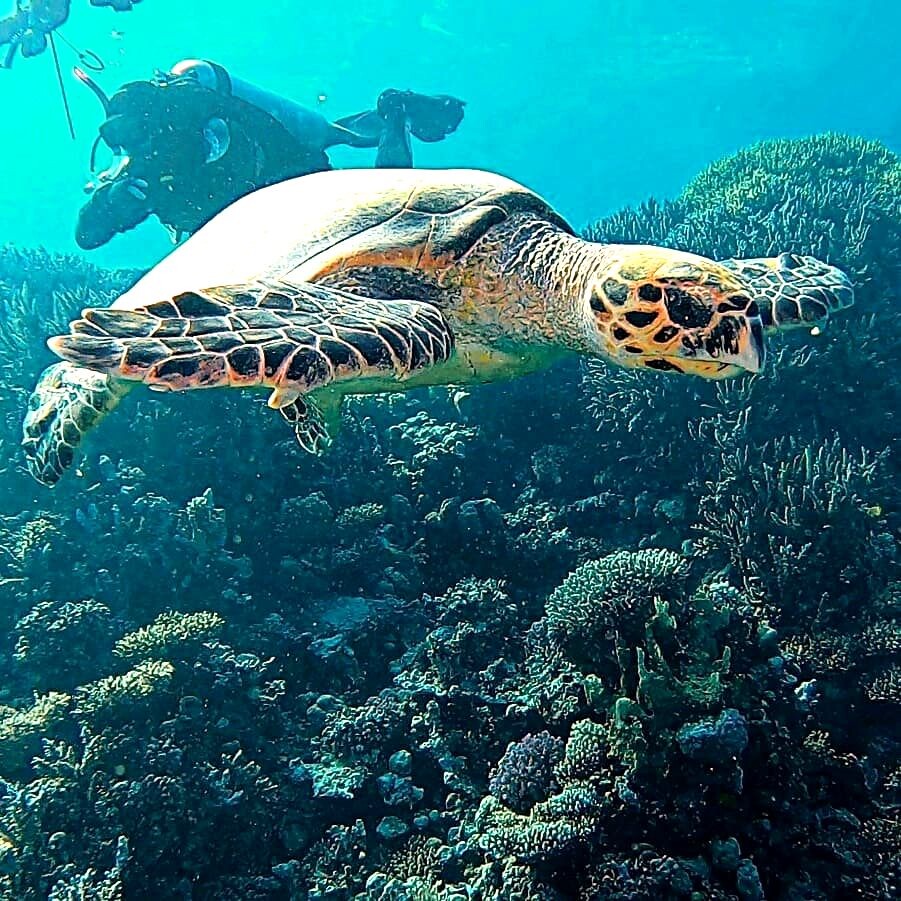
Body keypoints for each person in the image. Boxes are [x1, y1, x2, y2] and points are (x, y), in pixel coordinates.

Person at [74, 59, 466, 249]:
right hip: (264, 206)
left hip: (290, 175)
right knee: (335, 135)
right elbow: (87, 237)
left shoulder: (202, 119)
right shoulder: (143, 179)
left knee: (389, 208)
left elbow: (257, 138)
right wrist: (108, 204)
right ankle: (382, 114)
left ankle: (395, 111)